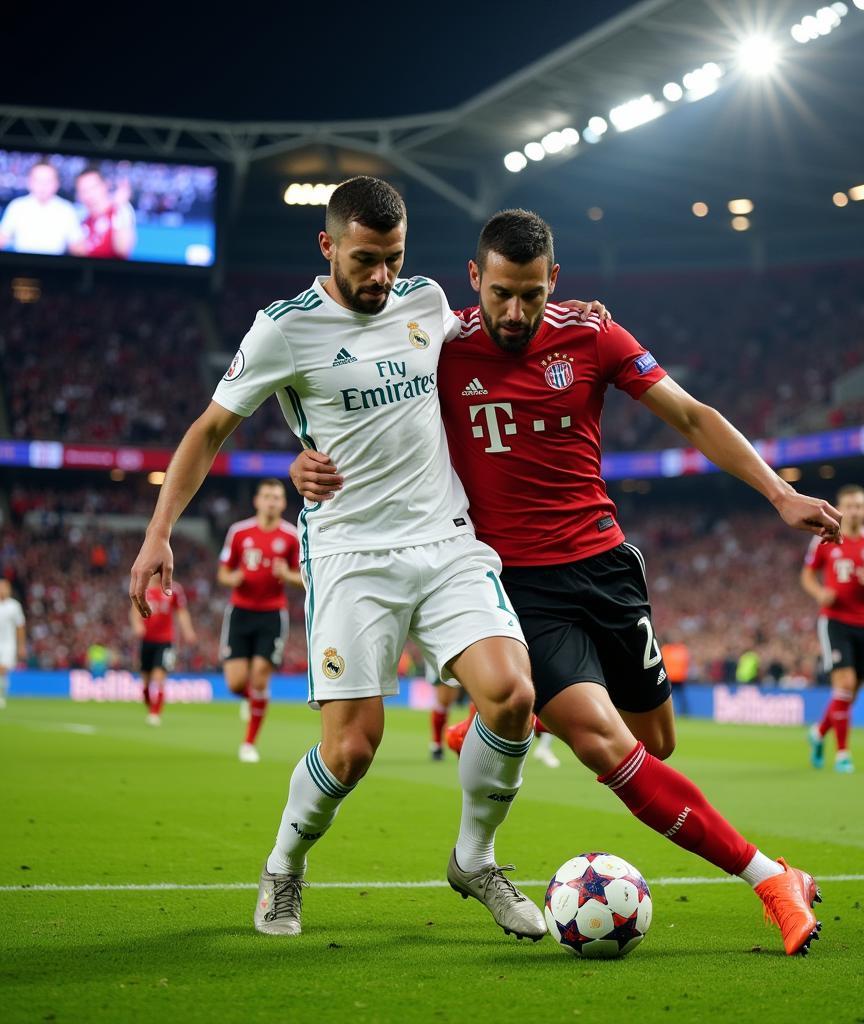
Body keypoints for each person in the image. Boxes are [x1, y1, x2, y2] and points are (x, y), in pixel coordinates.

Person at [291, 208, 844, 957]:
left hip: (608, 567)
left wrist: (779, 493)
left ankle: (514, 722)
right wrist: (304, 459)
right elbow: (347, 393)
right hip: (517, 585)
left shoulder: (592, 335)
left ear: (554, 279)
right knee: (607, 743)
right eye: (499, 295)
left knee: (657, 741)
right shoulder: (434, 344)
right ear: (473, 279)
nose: (514, 312)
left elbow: (689, 412)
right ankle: (773, 878)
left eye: (529, 294)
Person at [130, 177, 611, 943]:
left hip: (447, 539)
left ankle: (475, 859)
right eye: (364, 259)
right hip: (352, 552)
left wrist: (572, 315)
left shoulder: (424, 305)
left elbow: (502, 323)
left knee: (514, 696)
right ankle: (285, 867)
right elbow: (209, 429)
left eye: (392, 258)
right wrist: (160, 534)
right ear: (327, 247)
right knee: (352, 749)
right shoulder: (283, 330)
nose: (381, 276)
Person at [802, 484, 864, 773]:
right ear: (840, 510)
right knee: (843, 685)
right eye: (849, 506)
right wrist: (819, 594)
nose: (854, 511)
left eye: (859, 505)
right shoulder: (826, 539)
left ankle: (818, 733)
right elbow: (807, 574)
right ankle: (843, 753)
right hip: (834, 620)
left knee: (851, 692)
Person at [217, 479, 303, 762]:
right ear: (257, 501)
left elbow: (304, 579)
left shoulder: (291, 536)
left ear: (283, 503)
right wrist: (235, 578)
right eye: (267, 496)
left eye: (277, 497)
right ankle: (251, 699)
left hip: (272, 613)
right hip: (240, 612)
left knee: (260, 676)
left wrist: (286, 575)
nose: (271, 502)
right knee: (235, 683)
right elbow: (223, 574)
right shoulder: (239, 532)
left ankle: (249, 743)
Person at [130, 579, 196, 725]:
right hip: (146, 640)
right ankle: (149, 703)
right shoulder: (143, 587)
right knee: (146, 681)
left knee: (160, 676)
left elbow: (182, 612)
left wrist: (188, 630)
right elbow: (135, 610)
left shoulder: (174, 589)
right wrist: (137, 625)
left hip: (167, 641)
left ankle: (155, 713)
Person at [0, 161, 82, 255]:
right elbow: (2, 239)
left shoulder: (66, 209)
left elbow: (78, 248)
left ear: (57, 184)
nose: (42, 186)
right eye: (38, 180)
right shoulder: (17, 206)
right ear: (29, 182)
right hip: (22, 265)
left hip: (56, 267)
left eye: (48, 181)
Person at [71, 167, 137, 259]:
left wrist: (119, 208)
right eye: (83, 190)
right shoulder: (80, 219)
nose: (89, 195)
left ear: (105, 185)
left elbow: (123, 250)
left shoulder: (121, 209)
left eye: (93, 188)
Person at [0, 579, 27, 709]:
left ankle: (1, 696)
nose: (2, 590)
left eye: (5, 587)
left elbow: (20, 626)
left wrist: (21, 646)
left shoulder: (14, 606)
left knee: (3, 669)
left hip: (8, 643)